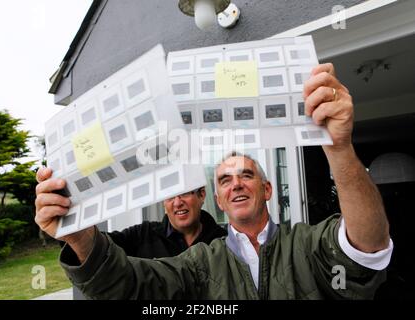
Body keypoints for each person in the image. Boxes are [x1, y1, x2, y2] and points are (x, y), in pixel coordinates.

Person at [35, 63, 393, 299]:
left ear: (267, 190)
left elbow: (368, 248)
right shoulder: (199, 263)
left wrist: (340, 149)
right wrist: (81, 236)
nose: (236, 184)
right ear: (218, 201)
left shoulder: (307, 244)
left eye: (246, 175)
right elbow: (130, 286)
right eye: (225, 180)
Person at [35, 169, 227, 259]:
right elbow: (101, 251)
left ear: (202, 194)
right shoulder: (141, 236)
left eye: (184, 192)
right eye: (169, 195)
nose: (177, 202)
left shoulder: (226, 242)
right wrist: (71, 223)